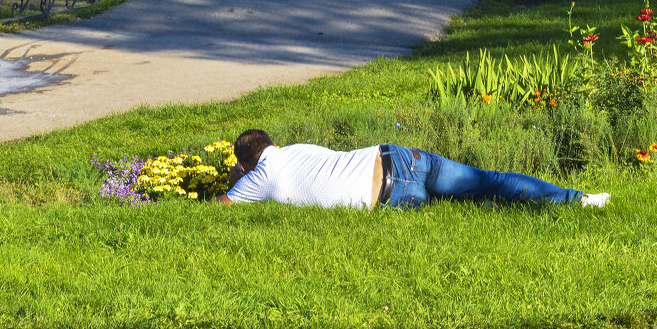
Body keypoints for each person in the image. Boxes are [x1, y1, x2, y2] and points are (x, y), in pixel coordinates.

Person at [217, 129, 610, 210]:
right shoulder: (296, 150)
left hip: (394, 197)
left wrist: (237, 180)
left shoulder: (260, 178)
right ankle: (578, 199)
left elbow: (221, 206)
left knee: (475, 197)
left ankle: (535, 205)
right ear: (272, 144)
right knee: (488, 182)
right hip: (400, 157)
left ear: (245, 163)